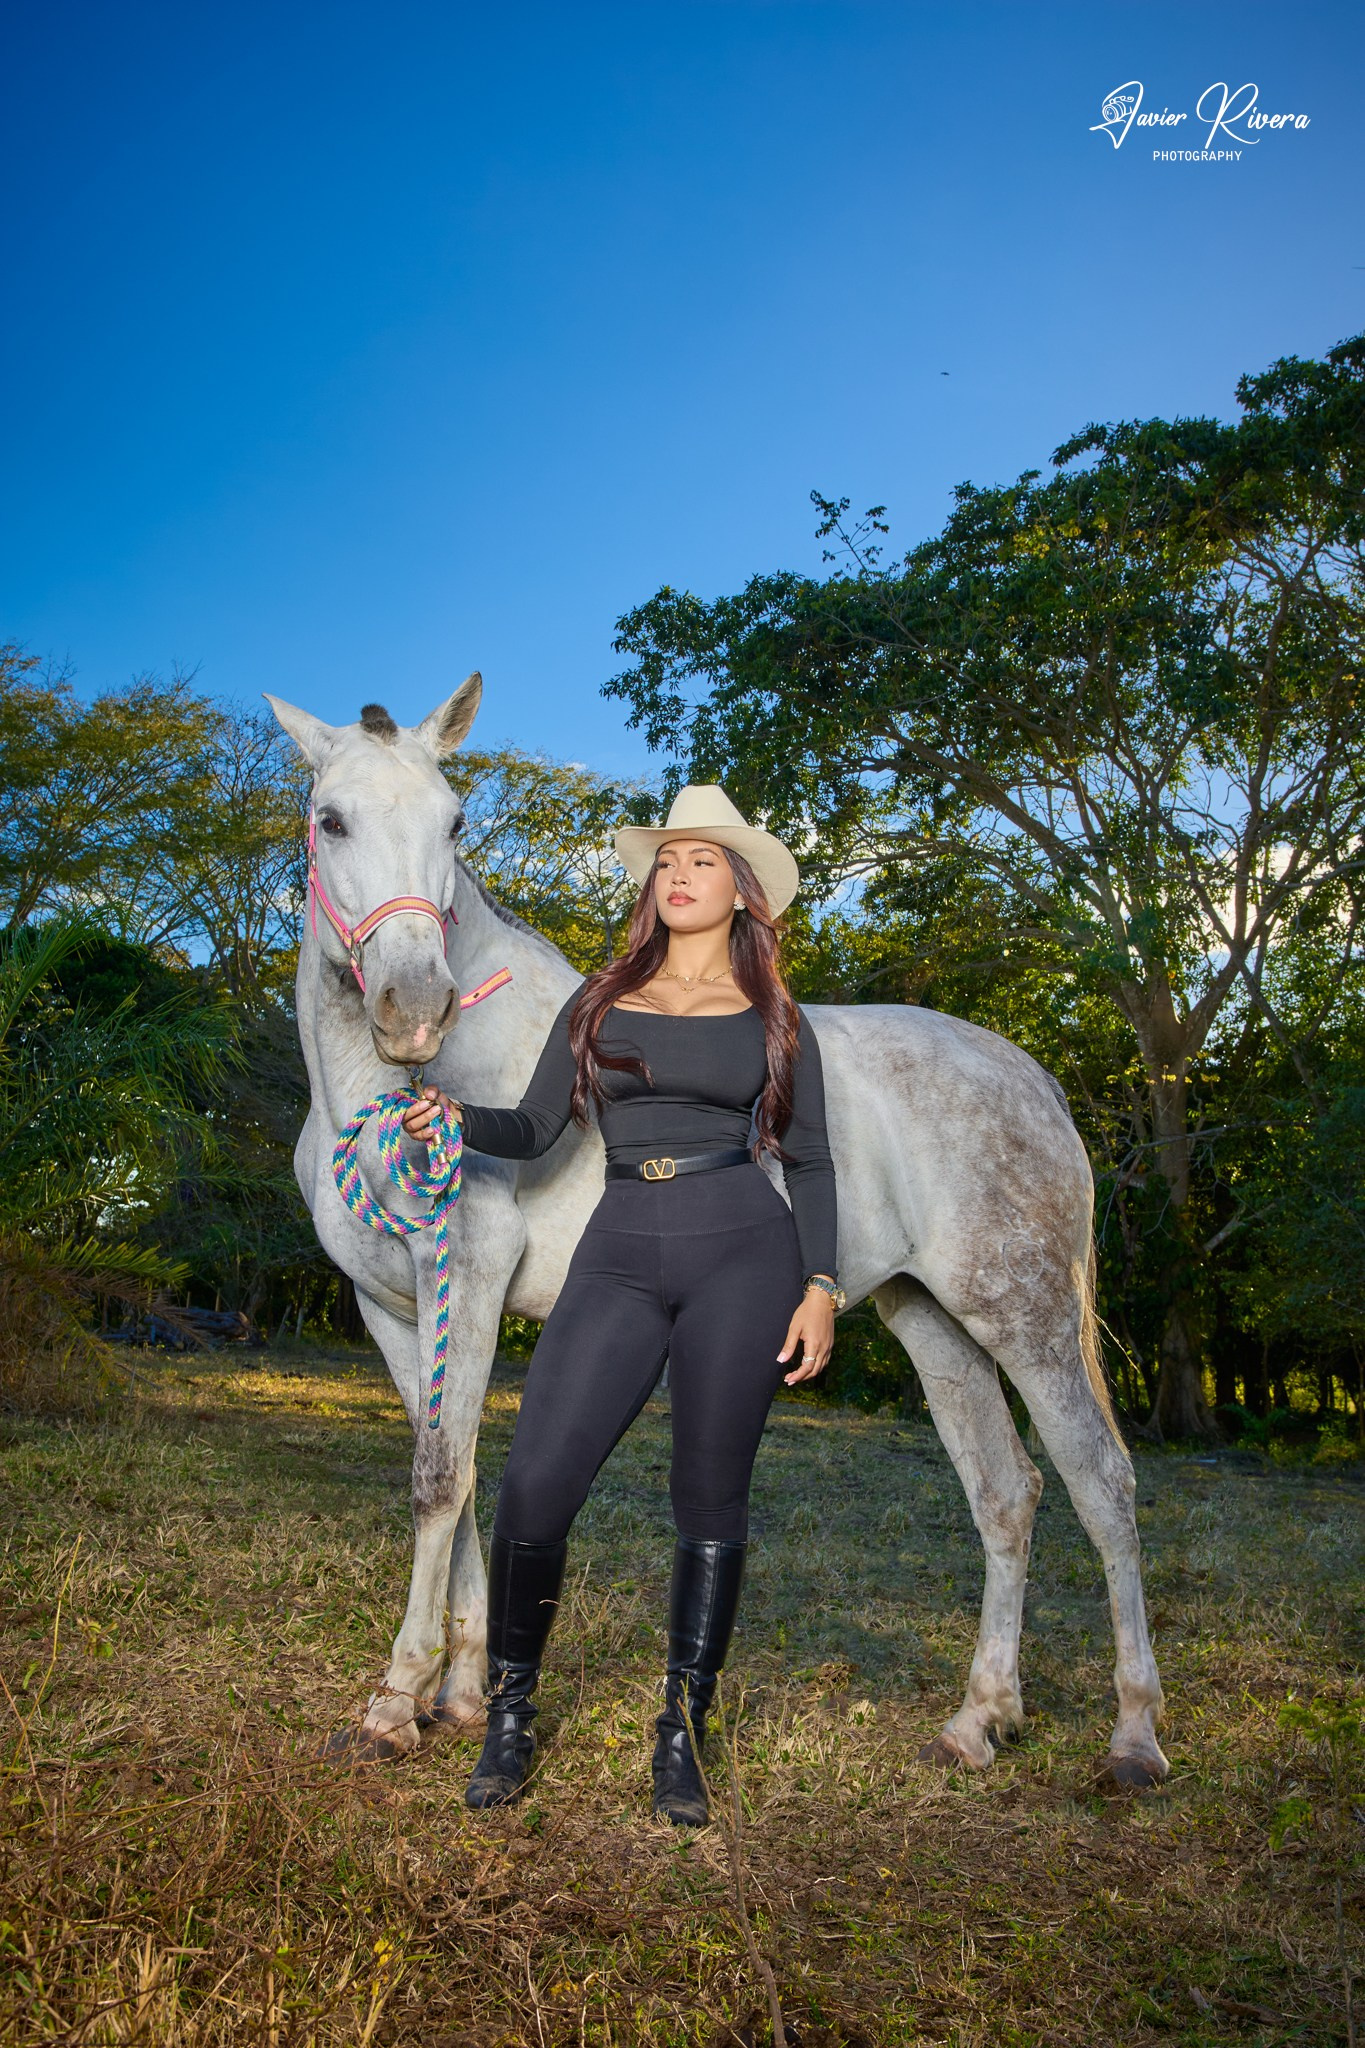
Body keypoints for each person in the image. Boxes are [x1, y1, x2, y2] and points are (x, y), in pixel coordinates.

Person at [402, 784, 845, 1826]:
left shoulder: (777, 1014)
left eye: (704, 860)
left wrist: (821, 1285)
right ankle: (512, 1712)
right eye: (667, 860)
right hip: (620, 1249)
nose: (680, 874)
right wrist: (451, 1116)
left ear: (742, 891)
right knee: (535, 1486)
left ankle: (682, 1731)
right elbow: (535, 1125)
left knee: (709, 1501)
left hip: (745, 1249)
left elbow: (814, 1158)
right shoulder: (600, 995)